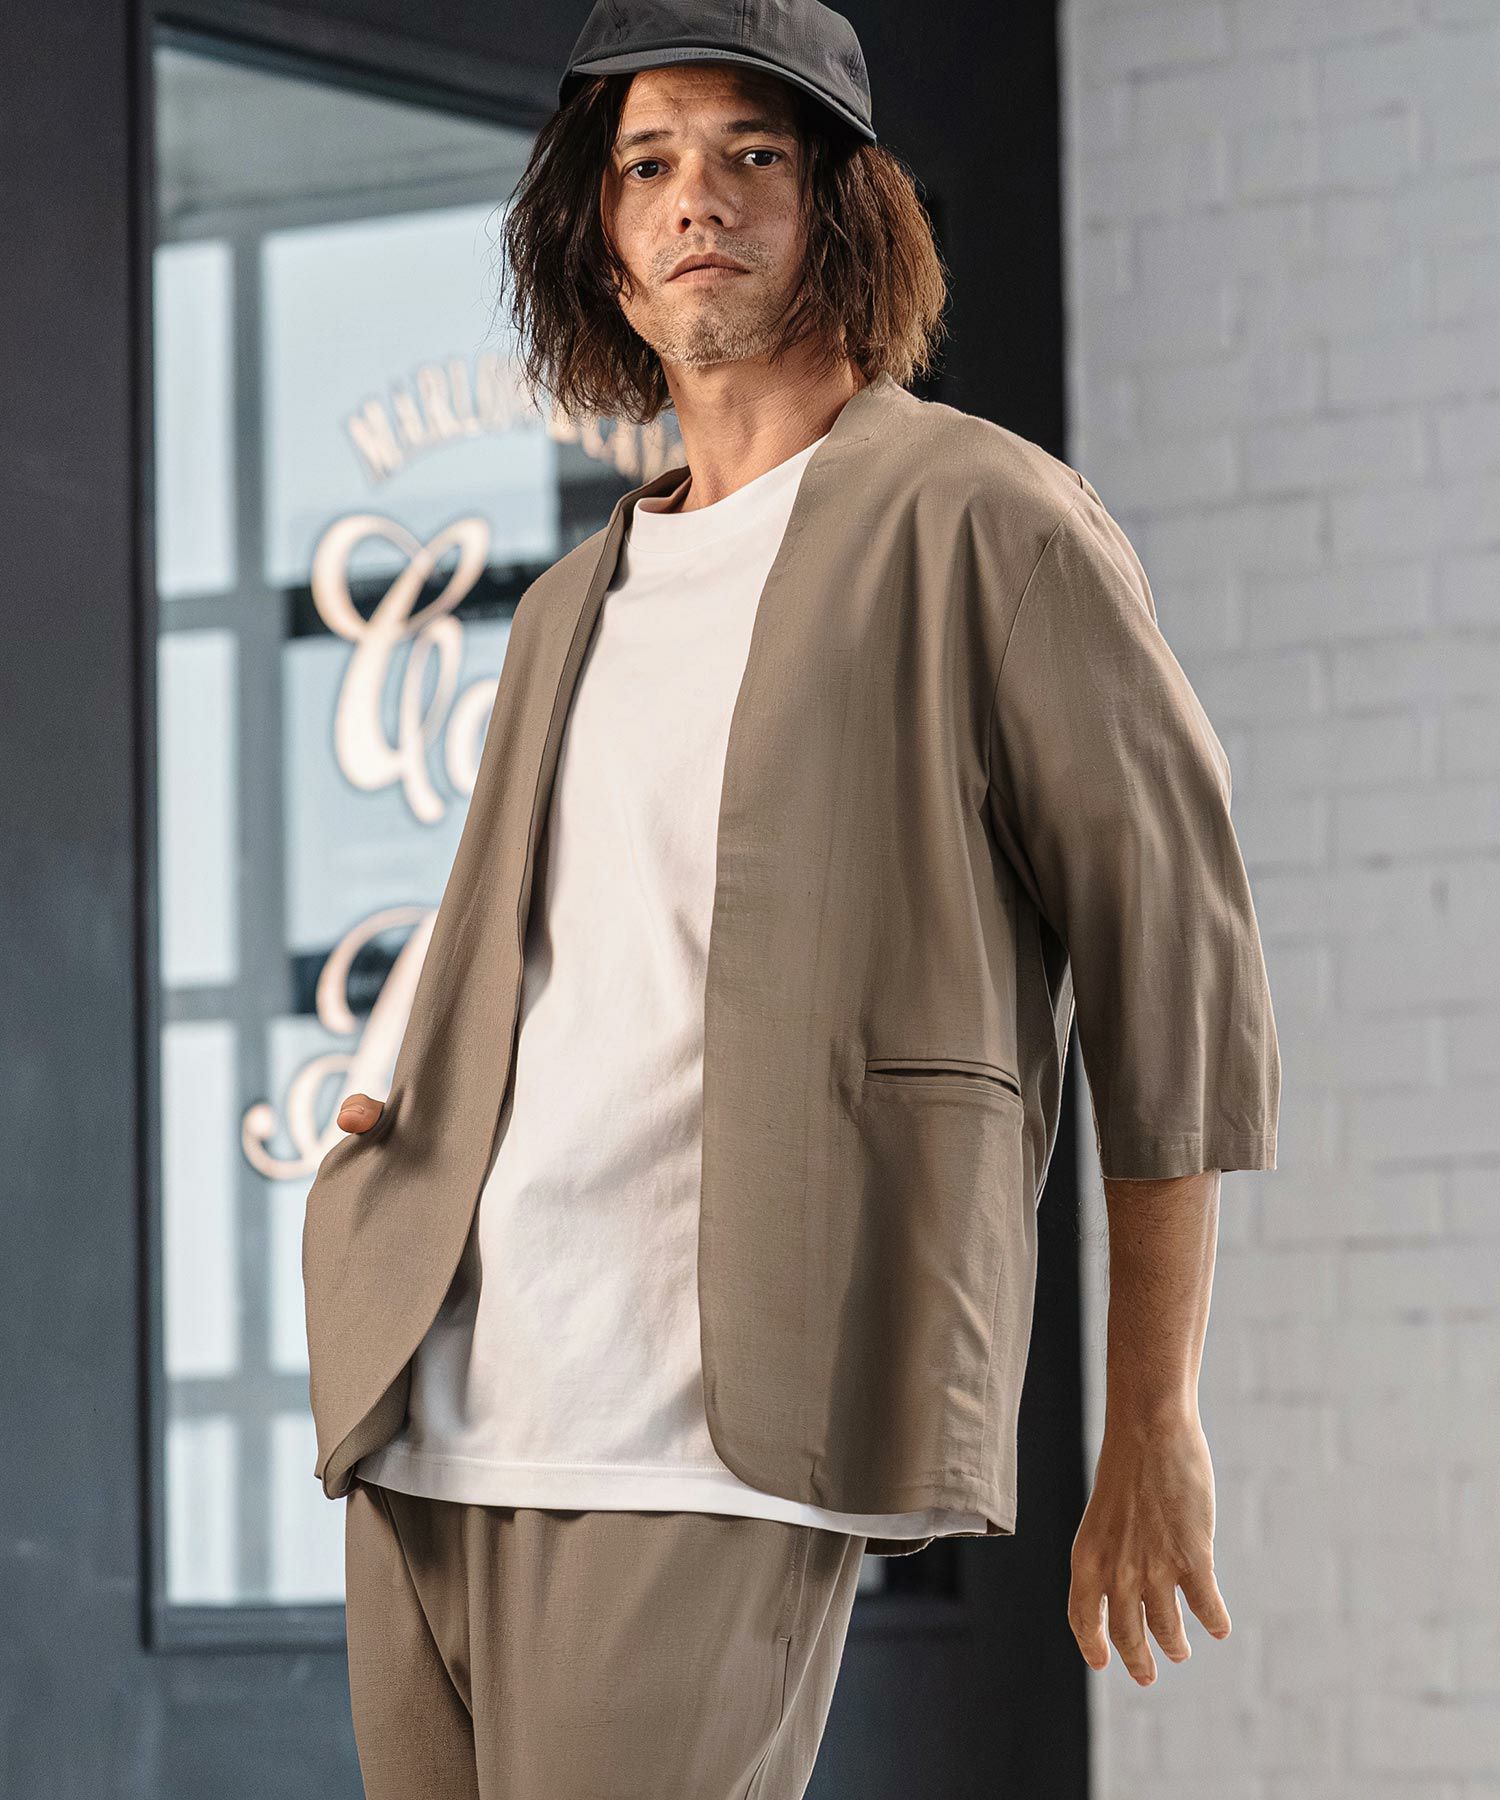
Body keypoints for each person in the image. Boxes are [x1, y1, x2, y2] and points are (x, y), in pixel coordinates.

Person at [303, 1, 1282, 1794]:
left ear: (845, 207)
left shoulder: (985, 519)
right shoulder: (568, 602)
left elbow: (1179, 972)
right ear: (599, 236)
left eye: (752, 154)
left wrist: (1154, 1412)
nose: (696, 197)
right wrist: (394, 1096)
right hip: (430, 1408)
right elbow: (557, 933)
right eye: (647, 163)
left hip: (709, 1428)